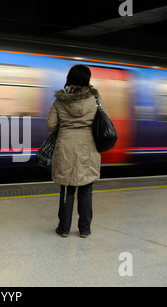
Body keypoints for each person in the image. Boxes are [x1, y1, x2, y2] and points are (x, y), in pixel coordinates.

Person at [46, 64, 109, 238]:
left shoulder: (60, 101)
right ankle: (85, 229)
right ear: (87, 80)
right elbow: (106, 120)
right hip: (88, 148)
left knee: (67, 189)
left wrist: (65, 125)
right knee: (86, 189)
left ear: (69, 79)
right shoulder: (95, 99)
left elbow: (50, 125)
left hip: (65, 147)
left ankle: (64, 228)